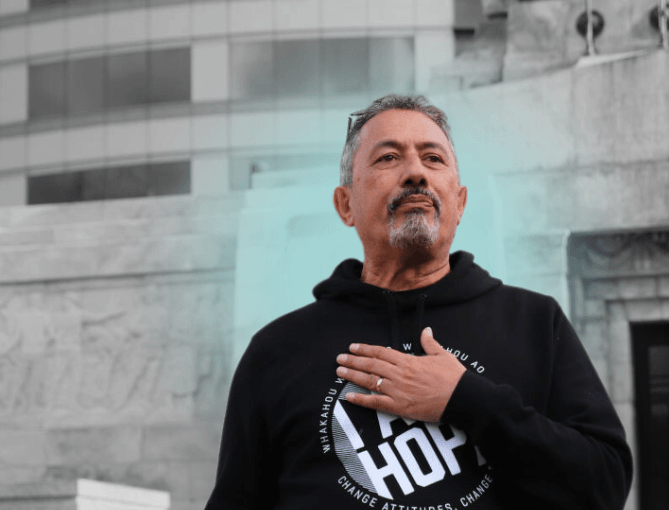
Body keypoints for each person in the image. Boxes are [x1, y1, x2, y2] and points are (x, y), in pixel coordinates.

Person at [205, 94, 632, 510]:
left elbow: (605, 486)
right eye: (388, 157)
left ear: (460, 203)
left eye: (433, 158)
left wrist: (467, 399)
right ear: (345, 204)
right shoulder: (277, 350)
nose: (415, 173)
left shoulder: (536, 323)